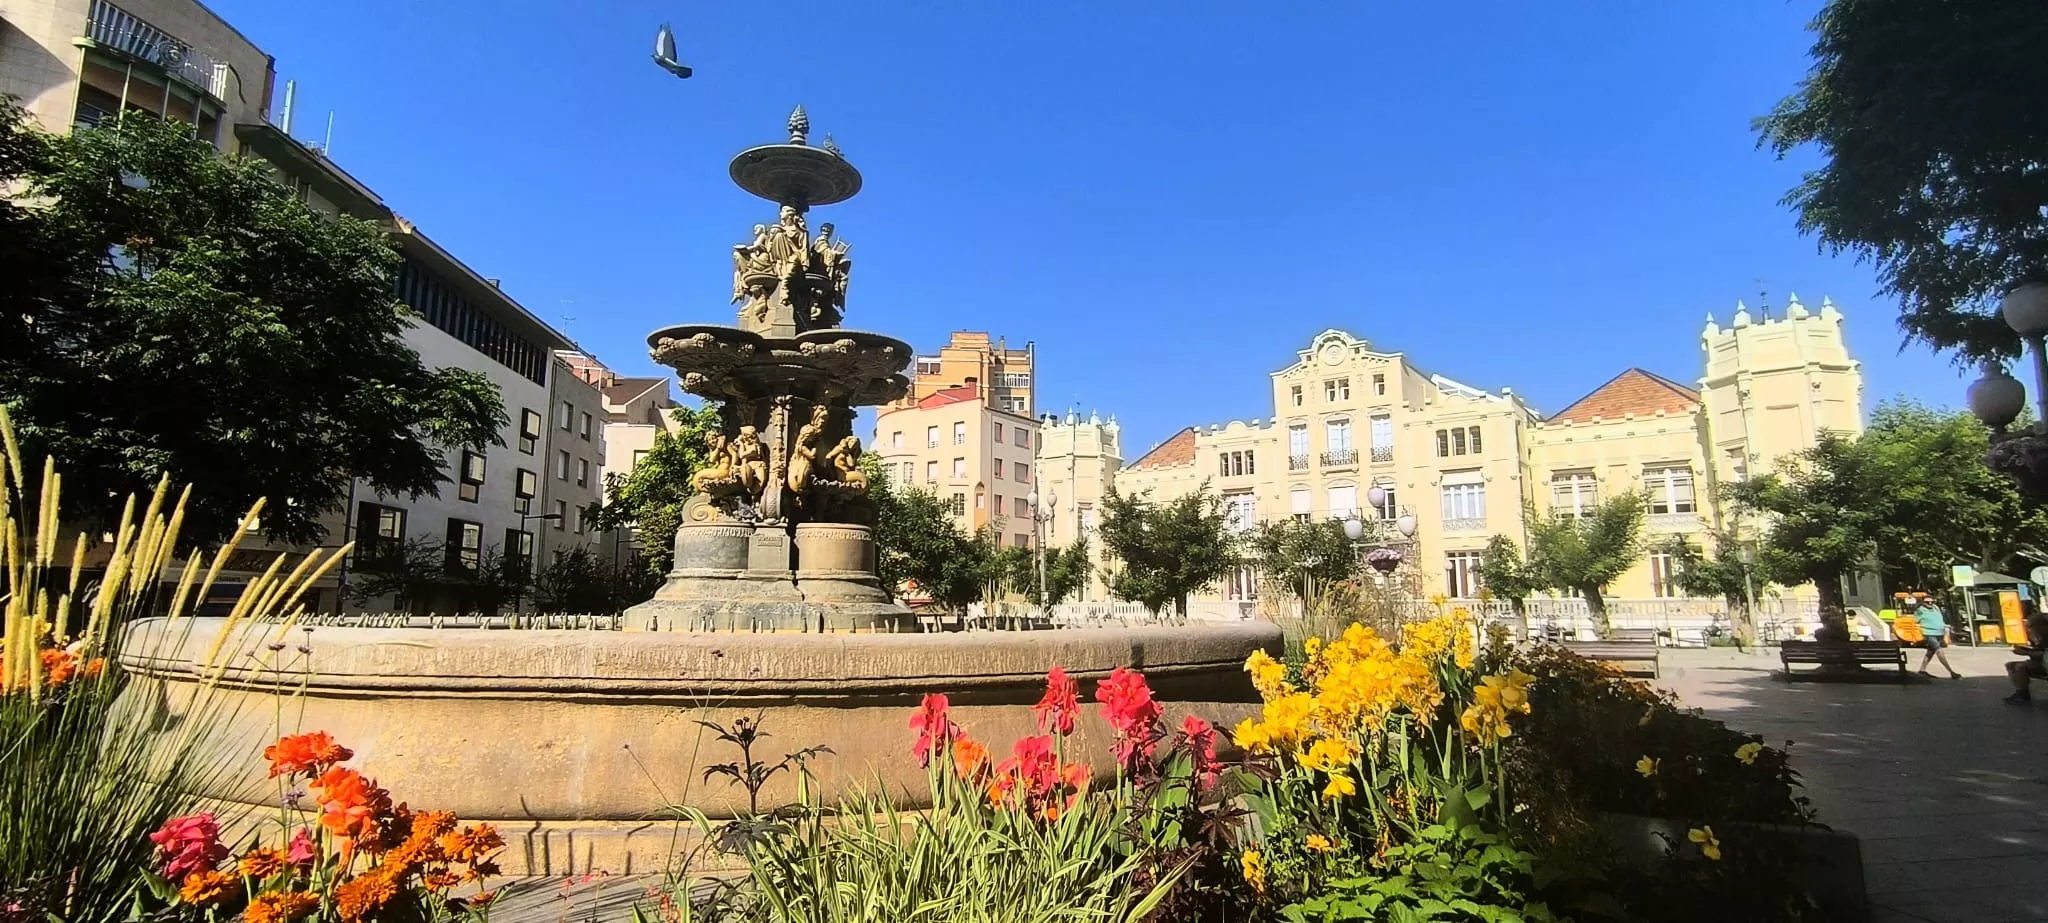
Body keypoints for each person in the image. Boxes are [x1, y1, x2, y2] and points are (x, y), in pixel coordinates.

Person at [2004, 607, 2048, 705]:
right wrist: (2026, 650)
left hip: (2044, 664)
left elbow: (2044, 653)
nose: (2029, 629)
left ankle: (2023, 694)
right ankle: (2020, 691)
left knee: (2021, 667)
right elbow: (2039, 650)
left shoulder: (2044, 637)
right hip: (2040, 662)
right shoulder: (2038, 637)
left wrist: (2027, 653)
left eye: (2030, 627)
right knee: (2010, 665)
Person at [1913, 598, 1963, 679]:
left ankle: (1922, 670)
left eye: (1932, 601)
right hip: (1929, 634)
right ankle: (1951, 672)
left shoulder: (1936, 608)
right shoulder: (1920, 610)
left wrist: (1945, 626)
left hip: (1939, 634)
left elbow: (1939, 619)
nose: (1930, 603)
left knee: (1930, 652)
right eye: (1927, 602)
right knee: (1939, 651)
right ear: (1923, 602)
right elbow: (1915, 620)